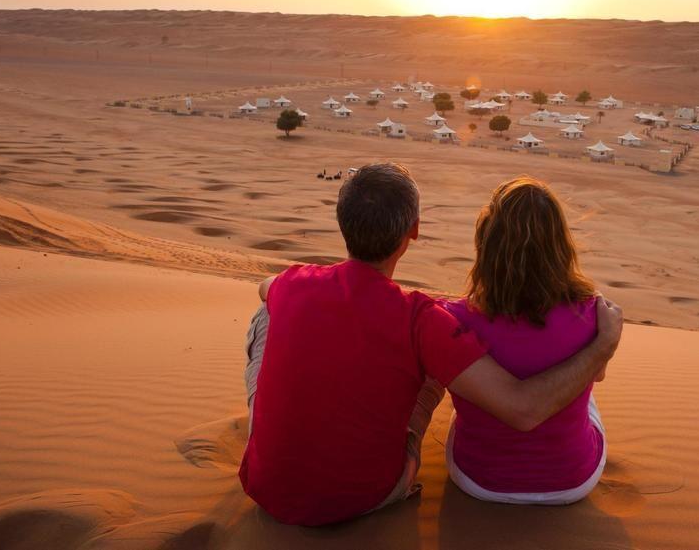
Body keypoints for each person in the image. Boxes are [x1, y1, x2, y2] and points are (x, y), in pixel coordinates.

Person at [240, 163, 623, 526]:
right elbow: (524, 409)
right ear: (415, 230)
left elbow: (266, 288)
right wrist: (603, 343)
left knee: (265, 315)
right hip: (371, 495)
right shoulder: (422, 318)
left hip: (267, 489)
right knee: (448, 356)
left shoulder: (294, 282)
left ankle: (282, 437)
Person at [442, 177, 614, 505]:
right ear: (561, 246)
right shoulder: (594, 313)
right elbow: (597, 373)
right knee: (586, 387)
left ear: (486, 242)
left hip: (479, 481)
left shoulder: (453, 318)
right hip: (572, 482)